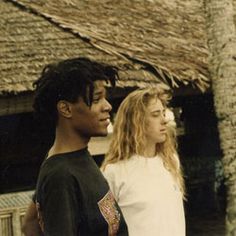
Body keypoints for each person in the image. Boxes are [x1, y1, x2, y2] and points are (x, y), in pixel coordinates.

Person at [22, 57, 128, 236]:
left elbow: (30, 222)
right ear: (66, 109)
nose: (108, 106)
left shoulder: (75, 158)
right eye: (96, 99)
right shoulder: (61, 175)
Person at [101, 86, 186, 236]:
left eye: (163, 113)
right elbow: (105, 228)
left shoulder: (171, 161)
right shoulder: (114, 171)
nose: (164, 120)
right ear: (136, 121)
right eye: (155, 115)